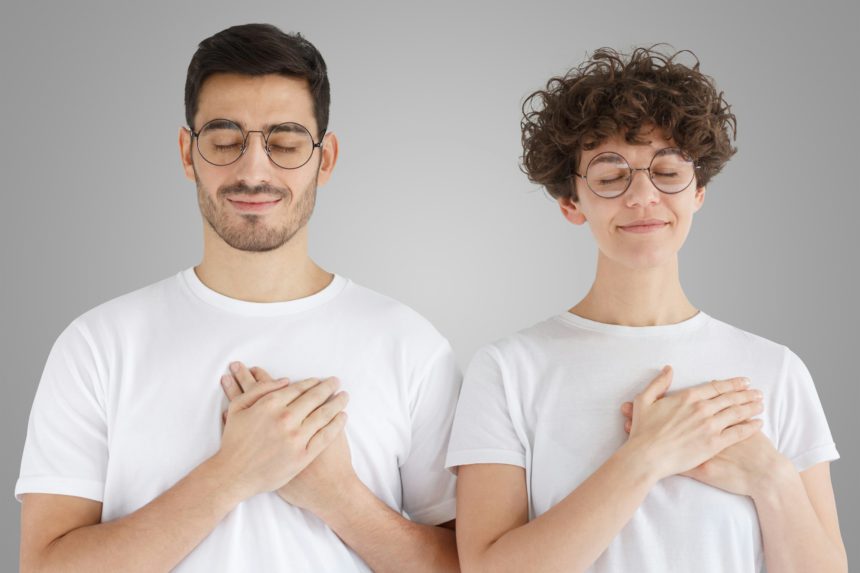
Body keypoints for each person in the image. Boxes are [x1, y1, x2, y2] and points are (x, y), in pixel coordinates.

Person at [17, 23, 460, 572]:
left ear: (325, 158)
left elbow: (469, 567)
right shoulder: (98, 345)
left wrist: (340, 499)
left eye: (286, 143)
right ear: (187, 153)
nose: (254, 171)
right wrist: (233, 474)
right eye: (225, 141)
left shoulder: (409, 345)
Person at [446, 47, 847, 572]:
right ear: (571, 202)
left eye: (667, 171)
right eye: (611, 177)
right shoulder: (508, 370)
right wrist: (647, 456)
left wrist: (771, 479)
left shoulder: (776, 370)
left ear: (698, 190)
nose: (642, 196)